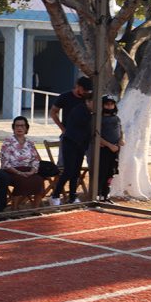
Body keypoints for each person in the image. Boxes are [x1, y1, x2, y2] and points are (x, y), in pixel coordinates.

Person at [49, 76, 93, 205]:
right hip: (69, 137)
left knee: (76, 169)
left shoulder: (88, 99)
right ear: (78, 86)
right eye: (84, 91)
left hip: (82, 138)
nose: (86, 94)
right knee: (67, 169)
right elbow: (53, 112)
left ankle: (72, 195)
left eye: (88, 92)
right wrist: (63, 128)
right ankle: (55, 195)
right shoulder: (65, 97)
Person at [0, 116, 45, 205]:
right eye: (17, 126)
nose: (19, 128)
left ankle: (35, 209)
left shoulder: (30, 143)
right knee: (21, 180)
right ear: (13, 128)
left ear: (26, 128)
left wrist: (32, 171)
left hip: (27, 170)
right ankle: (14, 209)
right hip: (11, 171)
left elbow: (35, 160)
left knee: (39, 180)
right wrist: (19, 173)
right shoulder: (7, 142)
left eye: (22, 126)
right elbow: (5, 163)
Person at [94, 95, 124, 201]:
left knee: (111, 173)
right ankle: (97, 195)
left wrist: (120, 140)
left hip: (115, 150)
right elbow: (97, 136)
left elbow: (120, 130)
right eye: (107, 104)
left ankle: (105, 195)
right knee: (101, 172)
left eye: (112, 104)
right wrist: (109, 145)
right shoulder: (99, 119)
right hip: (104, 150)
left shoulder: (116, 118)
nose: (109, 106)